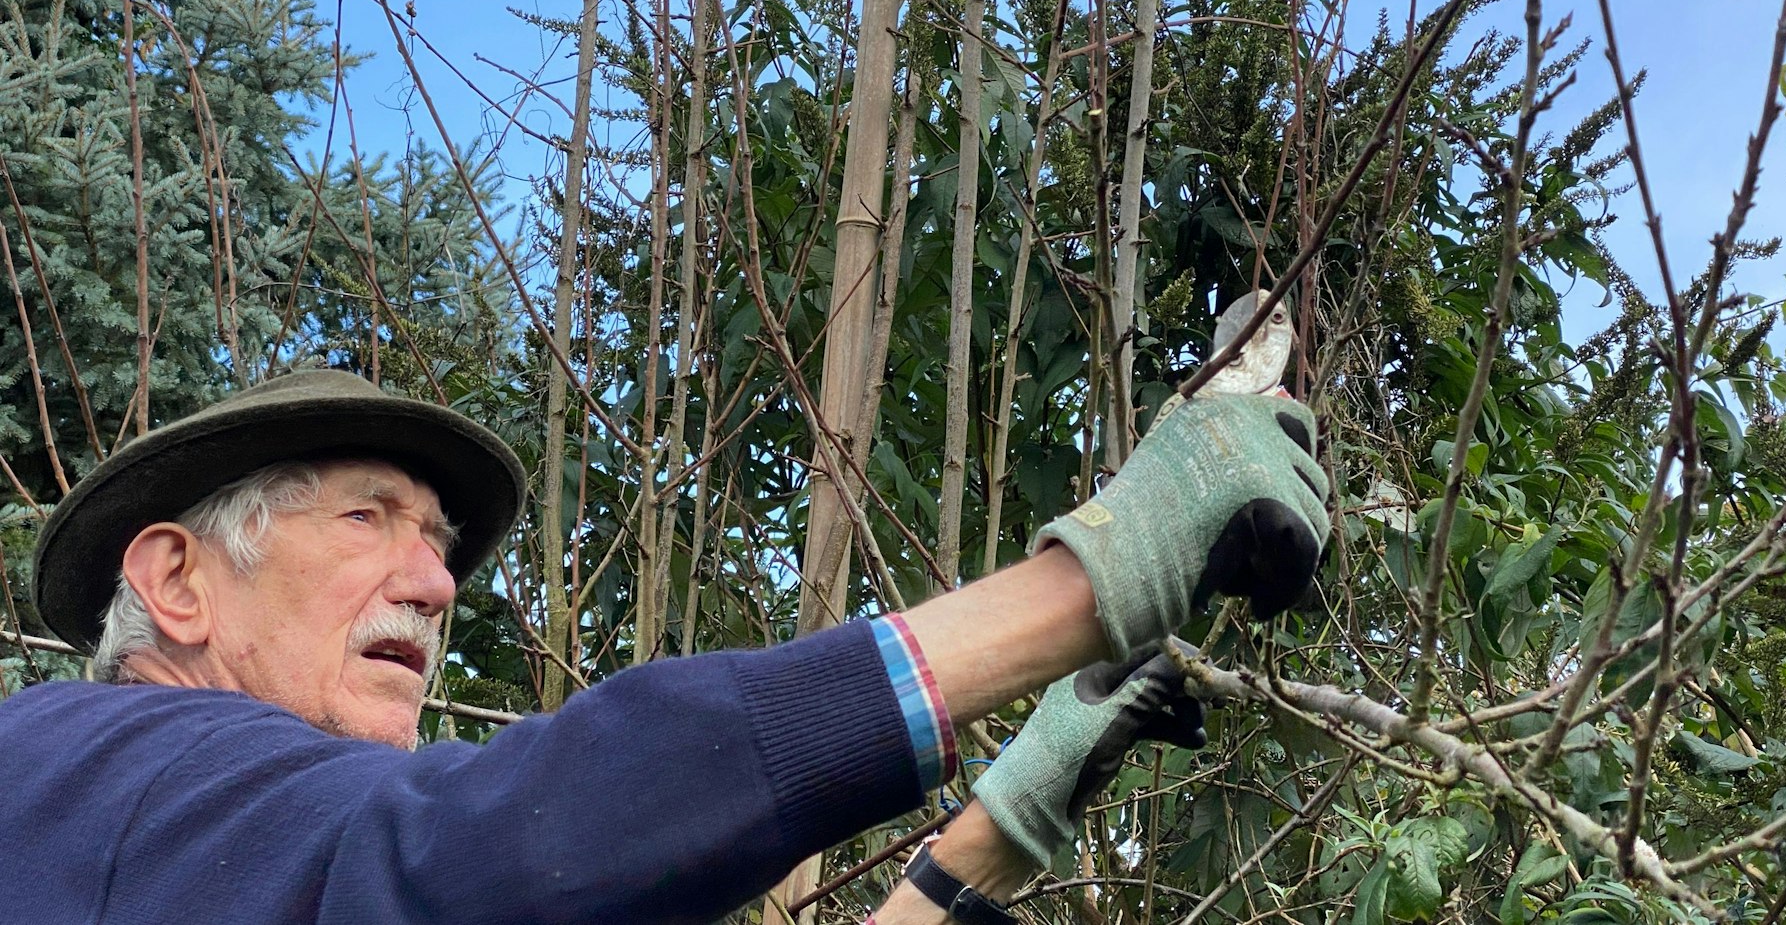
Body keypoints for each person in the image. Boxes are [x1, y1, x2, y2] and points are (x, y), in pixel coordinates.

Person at [0, 367, 1327, 922]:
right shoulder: (80, 763)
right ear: (176, 579)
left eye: (441, 542)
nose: (437, 581)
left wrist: (997, 833)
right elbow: (479, 841)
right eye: (369, 517)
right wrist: (1093, 581)